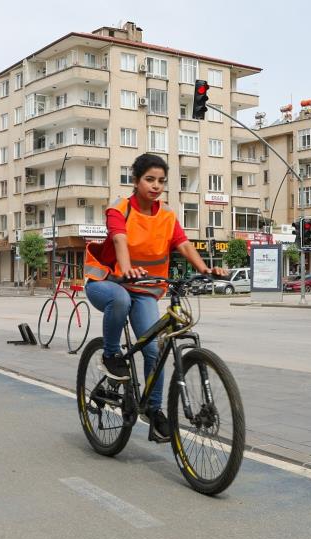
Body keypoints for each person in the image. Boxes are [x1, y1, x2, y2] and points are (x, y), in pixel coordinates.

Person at [83, 153, 226, 443]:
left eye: (161, 181)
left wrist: (206, 269)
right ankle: (111, 355)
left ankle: (153, 409)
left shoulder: (167, 215)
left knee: (154, 350)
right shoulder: (119, 209)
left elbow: (183, 244)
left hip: (145, 288)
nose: (156, 185)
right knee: (120, 300)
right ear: (135, 181)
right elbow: (120, 239)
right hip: (106, 281)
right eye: (149, 179)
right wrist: (124, 269)